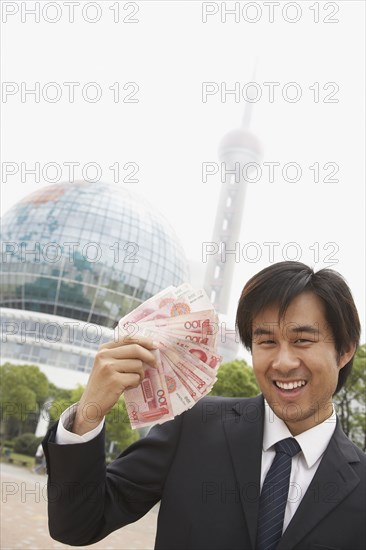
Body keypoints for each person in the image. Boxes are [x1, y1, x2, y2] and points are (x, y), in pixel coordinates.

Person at [43, 261, 365, 550]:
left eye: (302, 340)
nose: (282, 362)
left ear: (345, 349)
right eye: (266, 341)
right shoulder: (193, 426)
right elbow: (77, 525)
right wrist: (89, 412)